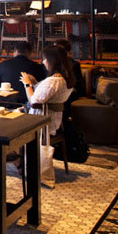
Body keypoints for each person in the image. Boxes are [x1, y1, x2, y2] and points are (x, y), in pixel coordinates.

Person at [21, 45, 76, 187]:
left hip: (41, 122)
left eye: (45, 59)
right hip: (54, 121)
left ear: (52, 61)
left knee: (7, 125)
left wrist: (27, 84)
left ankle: (18, 163)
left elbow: (34, 101)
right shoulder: (65, 79)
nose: (43, 62)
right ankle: (20, 163)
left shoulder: (53, 81)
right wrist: (35, 83)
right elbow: (46, 95)